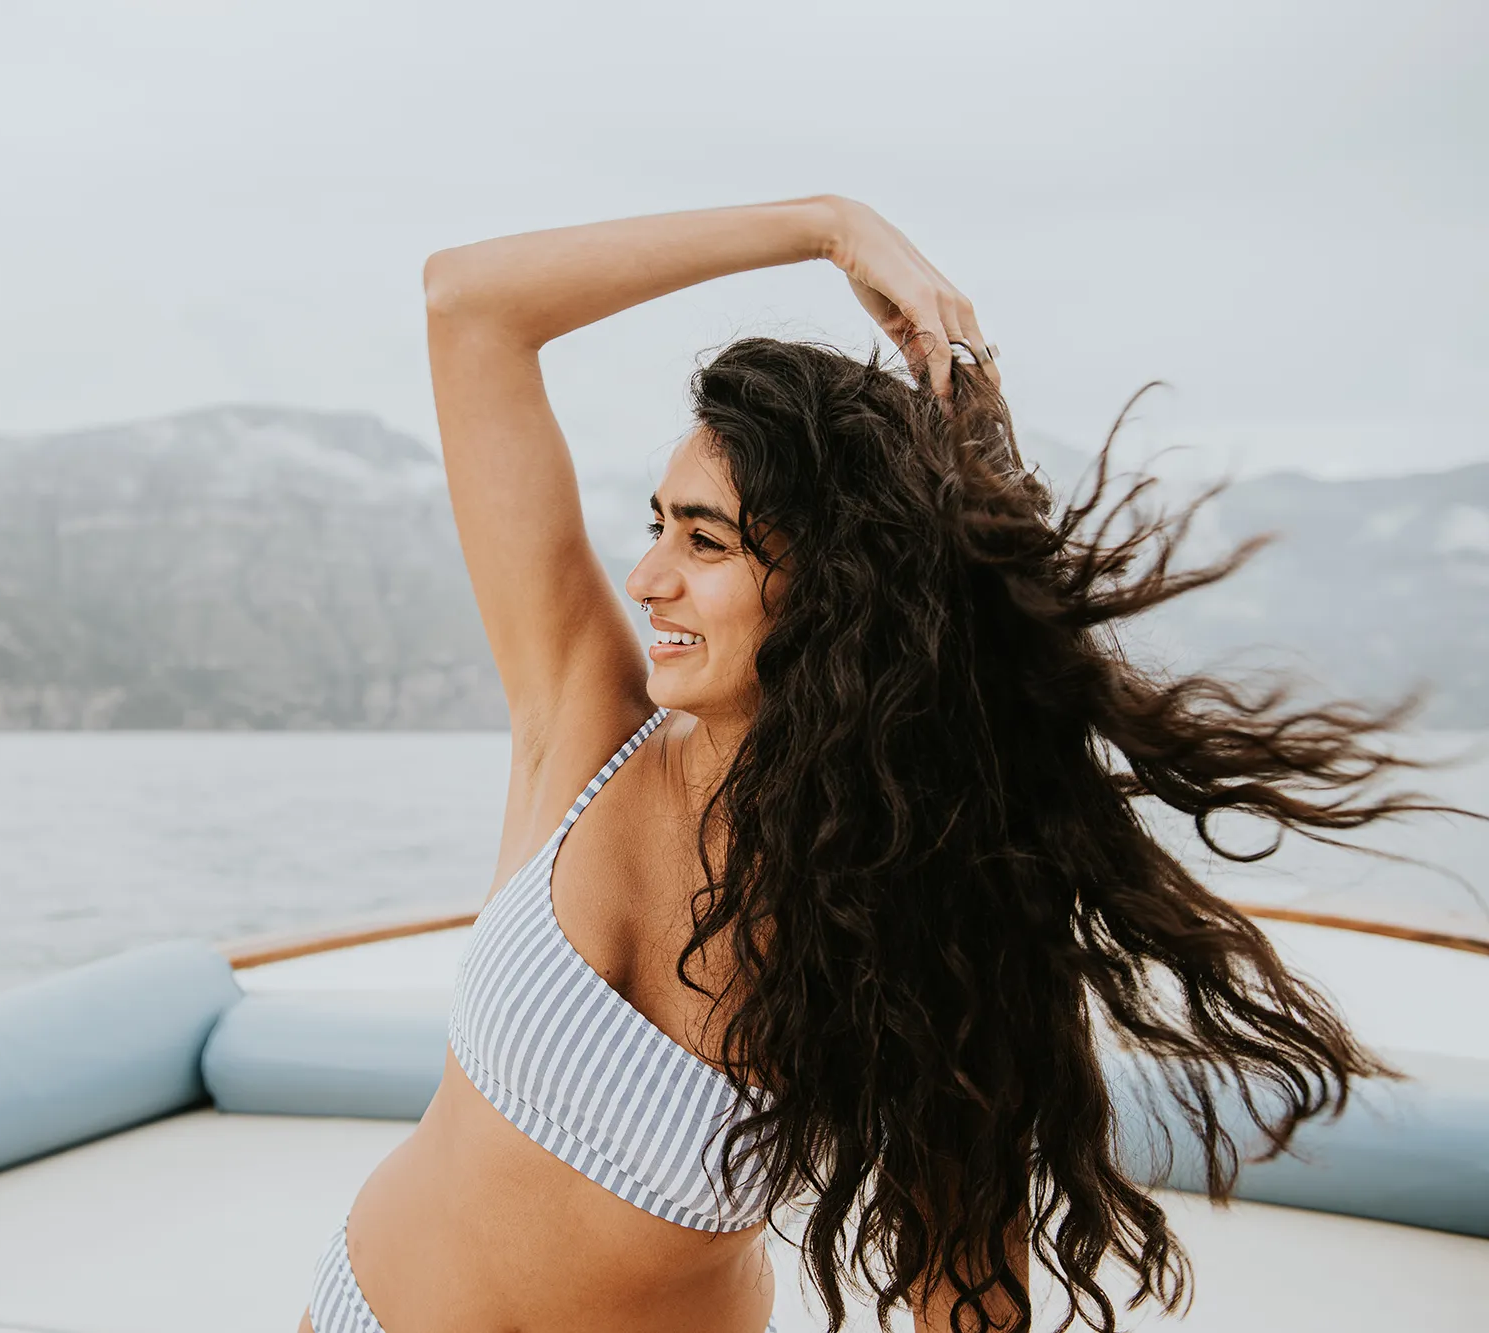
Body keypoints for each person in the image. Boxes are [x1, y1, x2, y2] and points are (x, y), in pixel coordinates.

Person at [300, 194, 1440, 1333]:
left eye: (703, 541)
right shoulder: (587, 720)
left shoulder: (917, 908)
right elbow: (469, 306)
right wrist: (824, 224)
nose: (647, 577)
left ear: (837, 588)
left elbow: (966, 1295)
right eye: (655, 525)